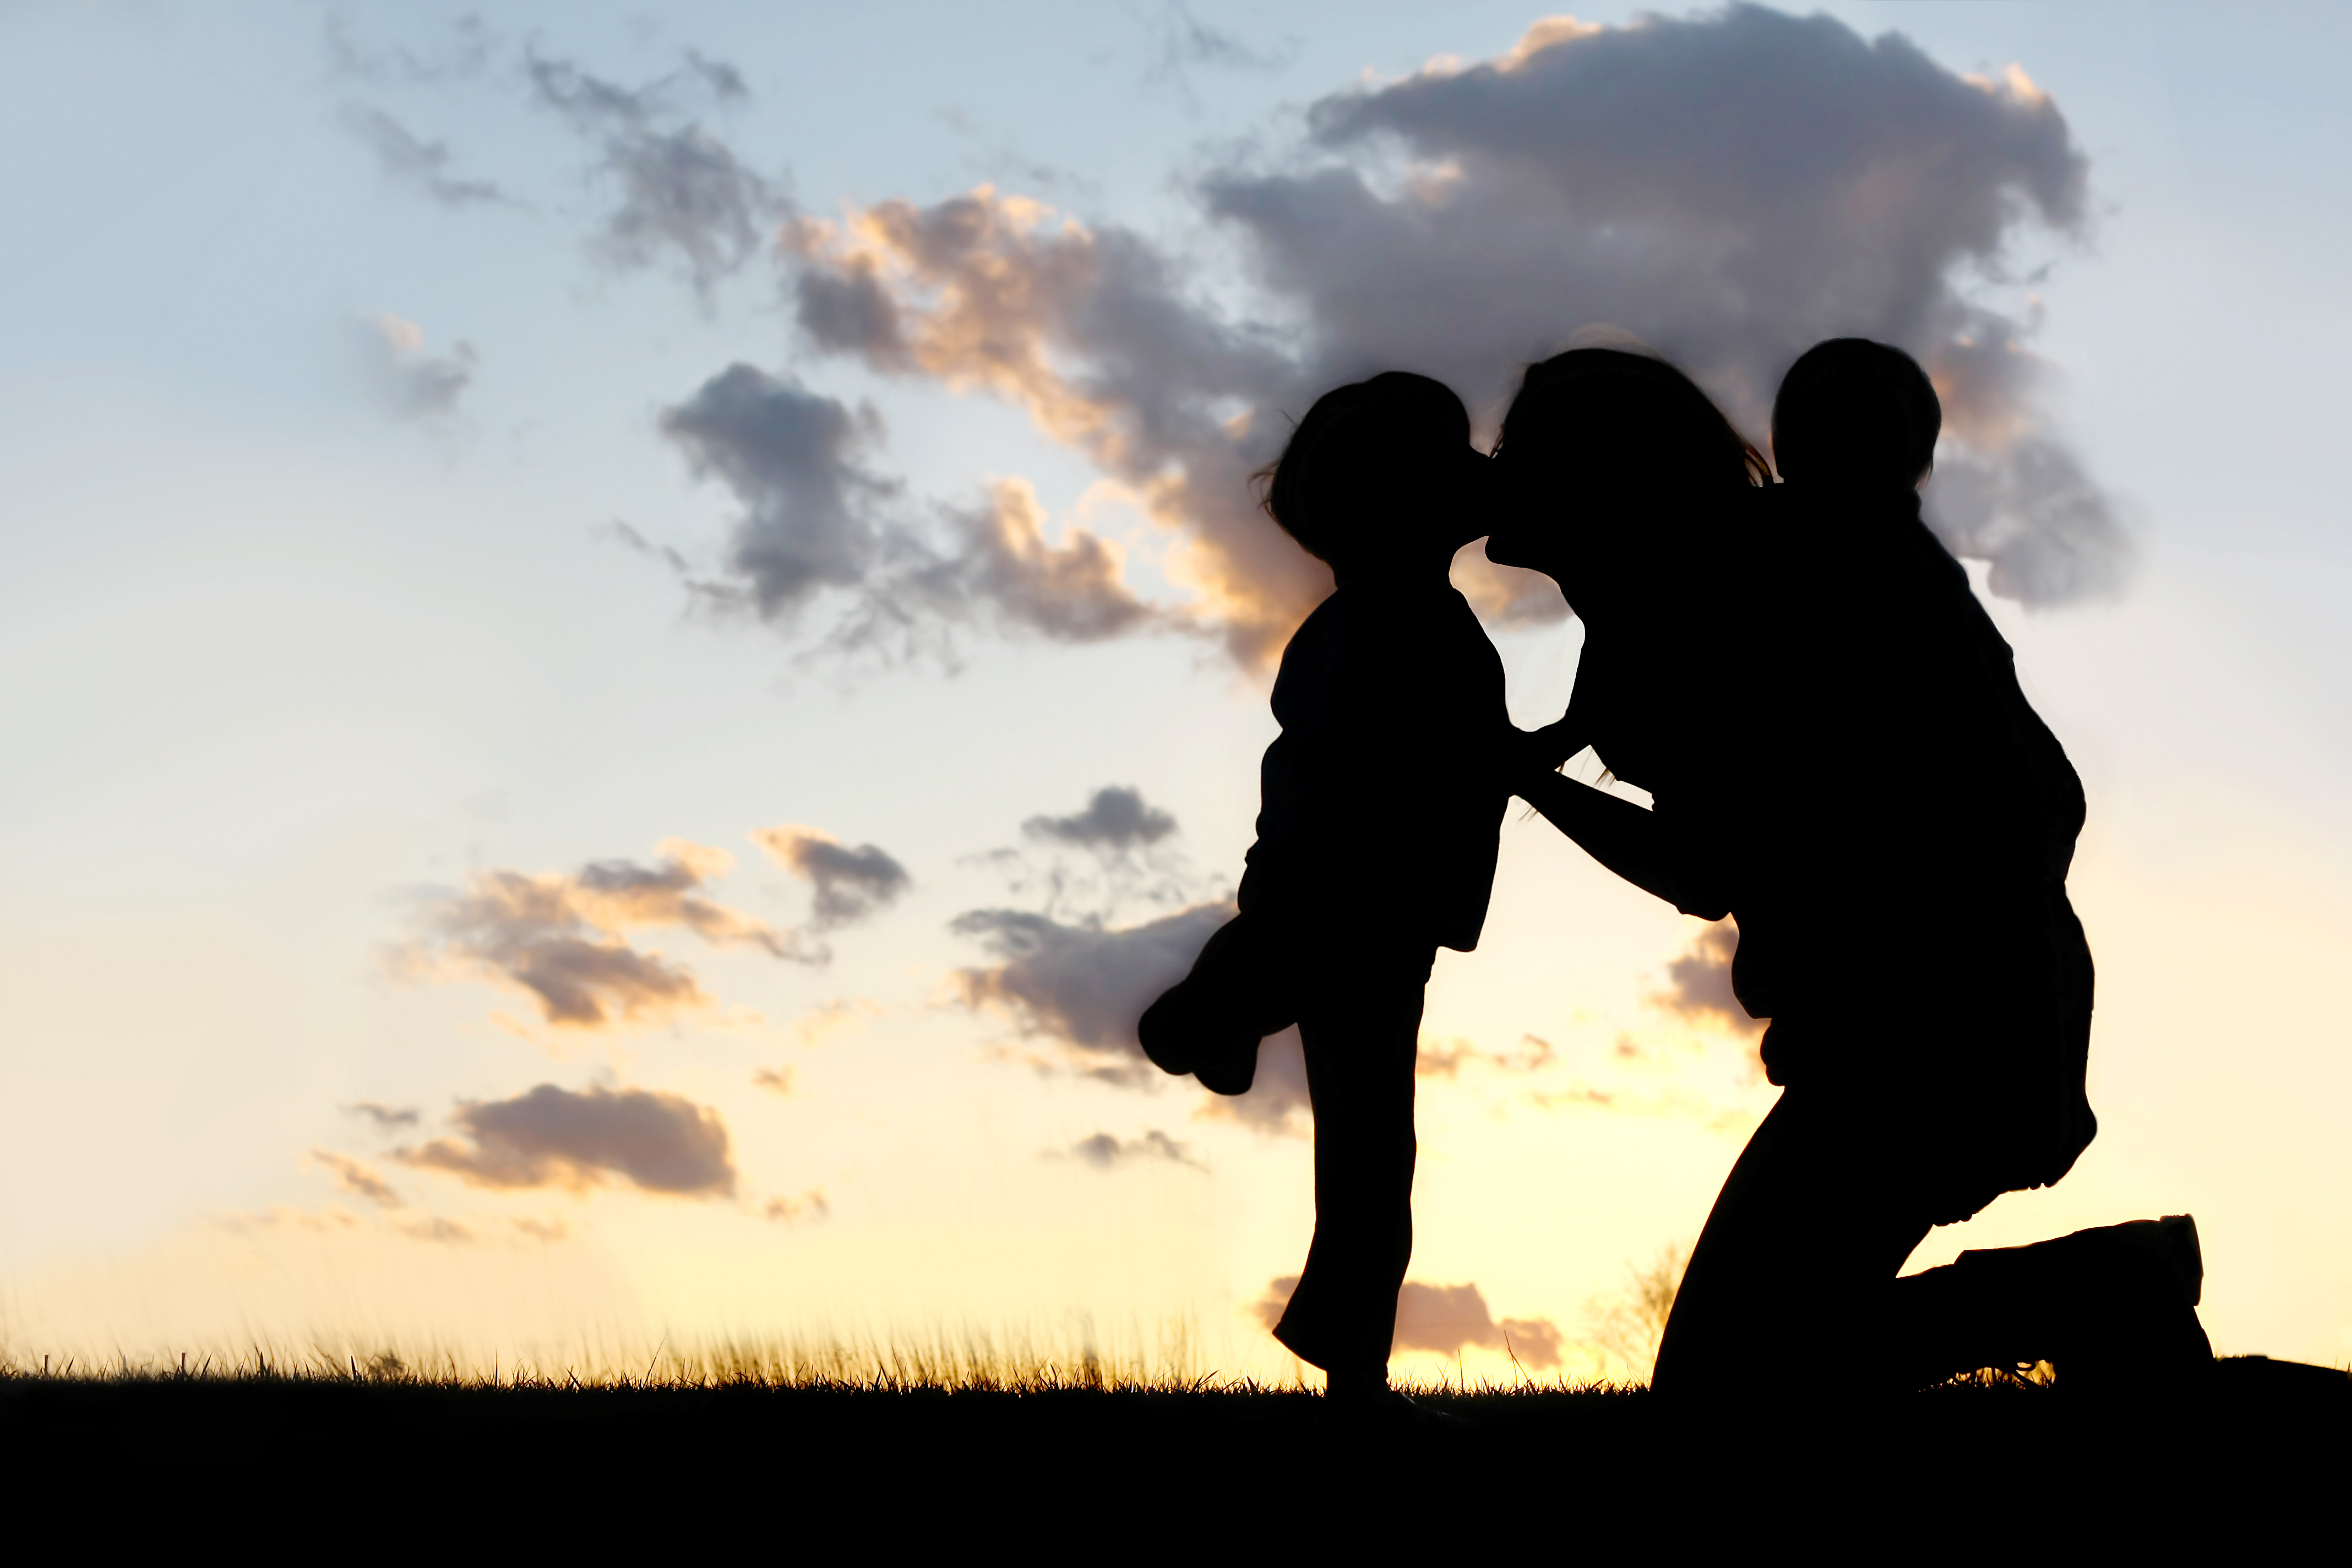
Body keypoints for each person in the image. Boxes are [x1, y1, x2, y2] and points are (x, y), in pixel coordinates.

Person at [1491, 341, 2209, 1394]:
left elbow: (1703, 862)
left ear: (1596, 482)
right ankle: (2106, 1286)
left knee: (1728, 1389)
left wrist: (1519, 777)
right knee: (1751, 1372)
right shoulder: (1735, 581)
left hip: (1933, 1034)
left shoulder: (1722, 597)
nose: (1494, 470)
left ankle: (2107, 1285)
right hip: (1947, 1021)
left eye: (1518, 451)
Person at [1138, 371, 1513, 1411]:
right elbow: (1356, 768)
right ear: (1404, 500)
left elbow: (1462, 758)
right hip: (1356, 893)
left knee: (1372, 1146)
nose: (1484, 478)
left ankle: (1352, 1354)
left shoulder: (1401, 621)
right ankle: (1222, 1006)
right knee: (1367, 1135)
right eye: (1455, 464)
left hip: (1386, 905)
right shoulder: (1389, 626)